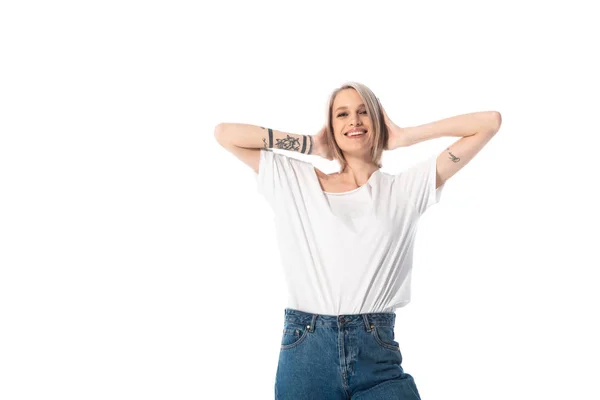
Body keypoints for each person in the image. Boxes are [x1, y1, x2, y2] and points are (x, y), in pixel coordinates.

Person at [214, 81, 501, 399]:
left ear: (378, 122)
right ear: (330, 126)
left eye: (364, 112)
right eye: (342, 114)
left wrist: (405, 136)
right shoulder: (296, 181)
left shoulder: (405, 190)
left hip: (376, 354)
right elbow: (226, 134)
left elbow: (489, 122)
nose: (354, 120)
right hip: (307, 355)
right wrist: (311, 144)